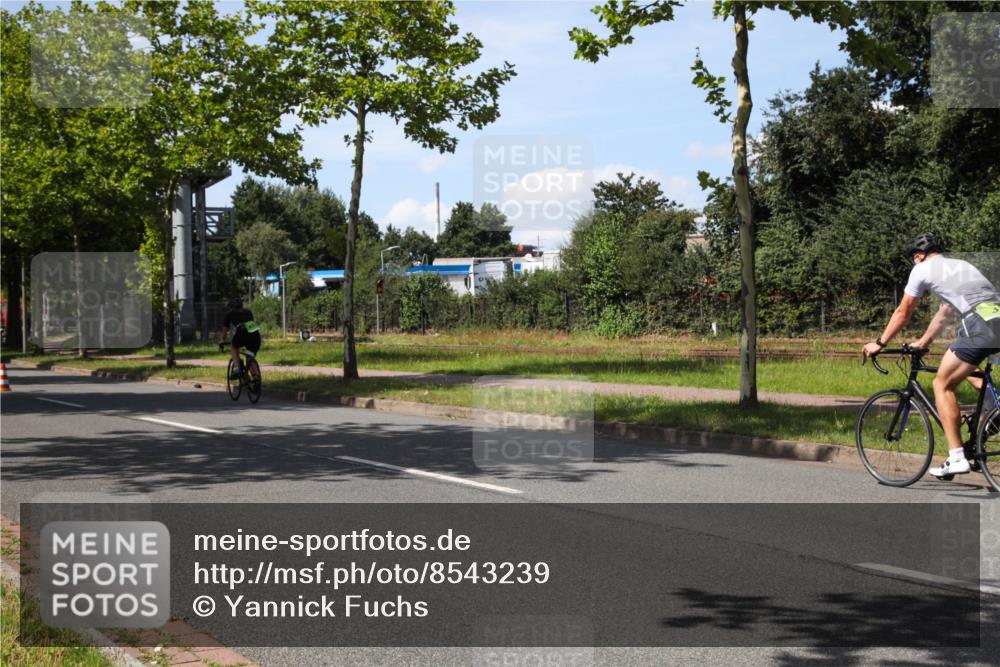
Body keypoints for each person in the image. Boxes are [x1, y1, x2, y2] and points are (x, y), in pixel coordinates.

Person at [863, 232, 1000, 478]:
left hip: (978, 325)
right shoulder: (962, 265)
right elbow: (946, 312)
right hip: (996, 319)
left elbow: (903, 312)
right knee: (965, 368)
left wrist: (879, 343)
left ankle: (957, 456)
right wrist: (924, 342)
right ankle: (994, 415)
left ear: (918, 256)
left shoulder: (921, 269)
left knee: (942, 384)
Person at [221, 297, 261, 379]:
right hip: (255, 334)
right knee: (250, 357)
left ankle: (237, 368)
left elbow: (225, 329)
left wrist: (222, 340)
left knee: (233, 346)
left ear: (231, 307)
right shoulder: (248, 312)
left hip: (242, 332)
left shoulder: (230, 313)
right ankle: (256, 378)